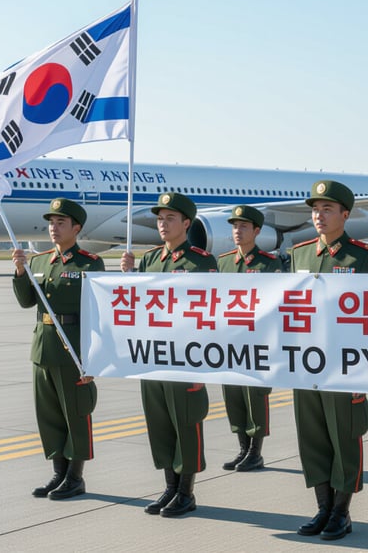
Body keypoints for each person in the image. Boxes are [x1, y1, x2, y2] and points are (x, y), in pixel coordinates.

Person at [291, 180, 368, 541]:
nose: (319, 215)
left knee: (344, 439)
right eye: (315, 209)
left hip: (345, 364)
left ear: (345, 214)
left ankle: (342, 512)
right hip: (306, 362)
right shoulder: (300, 254)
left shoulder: (363, 256)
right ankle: (322, 508)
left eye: (327, 209)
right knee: (312, 438)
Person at [121, 193, 217, 518]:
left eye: (170, 219)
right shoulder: (149, 260)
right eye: (160, 219)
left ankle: (186, 492)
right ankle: (170, 488)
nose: (162, 224)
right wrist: (128, 277)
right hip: (154, 354)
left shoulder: (202, 262)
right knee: (160, 423)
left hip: (185, 355)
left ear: (186, 224)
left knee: (184, 423)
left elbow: (210, 310)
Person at [12, 198, 105, 500]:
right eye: (51, 222)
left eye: (61, 223)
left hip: (73, 350)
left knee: (75, 414)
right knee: (49, 415)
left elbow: (99, 312)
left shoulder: (89, 263)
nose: (53, 228)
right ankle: (58, 473)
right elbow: (27, 302)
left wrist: (94, 359)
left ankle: (75, 478)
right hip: (44, 348)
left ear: (76, 228)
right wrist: (19, 272)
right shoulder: (38, 261)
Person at [216, 205, 282, 472]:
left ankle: (256, 451)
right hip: (229, 341)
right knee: (232, 395)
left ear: (257, 231)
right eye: (234, 226)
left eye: (244, 226)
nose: (237, 231)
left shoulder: (269, 263)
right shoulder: (222, 262)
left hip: (257, 341)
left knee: (254, 395)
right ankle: (242, 448)